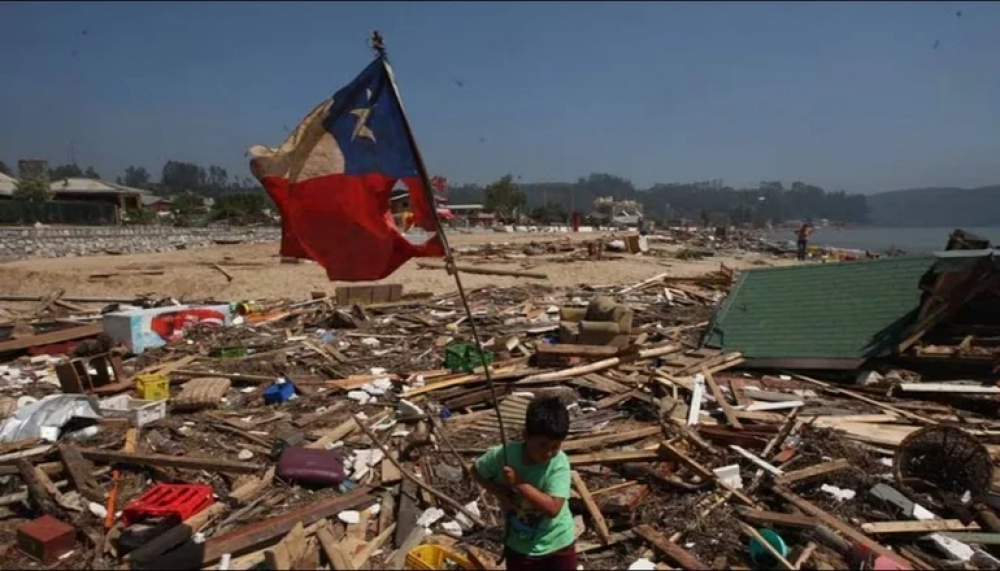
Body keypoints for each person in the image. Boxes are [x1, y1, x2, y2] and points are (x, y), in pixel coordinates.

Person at [471, 396, 576, 571]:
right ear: (526, 436)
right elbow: (476, 470)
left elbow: (553, 508)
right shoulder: (504, 455)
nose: (548, 453)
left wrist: (518, 483)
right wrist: (498, 491)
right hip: (520, 546)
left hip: (558, 543)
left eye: (555, 446)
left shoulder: (558, 462)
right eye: (542, 445)